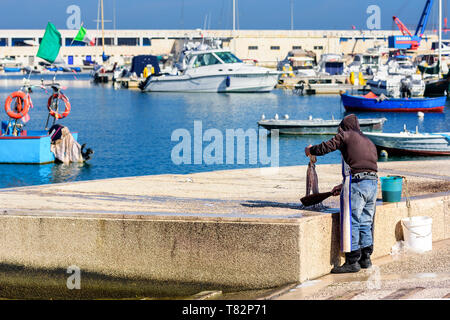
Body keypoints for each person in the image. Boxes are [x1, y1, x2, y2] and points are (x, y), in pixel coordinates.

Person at [304, 114, 378, 273]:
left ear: (344, 127)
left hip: (357, 184)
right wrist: (343, 185)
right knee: (366, 221)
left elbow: (326, 147)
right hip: (372, 184)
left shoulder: (346, 135)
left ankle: (352, 261)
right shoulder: (369, 141)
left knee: (352, 220)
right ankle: (366, 258)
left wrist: (311, 150)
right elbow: (365, 167)